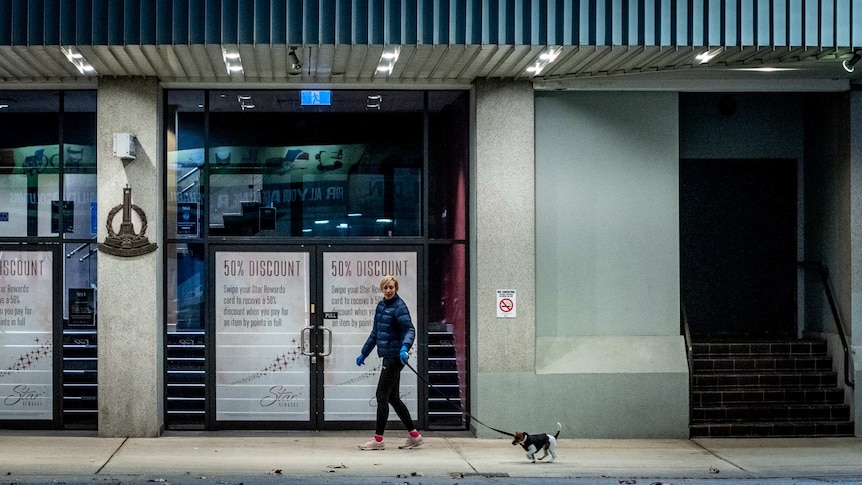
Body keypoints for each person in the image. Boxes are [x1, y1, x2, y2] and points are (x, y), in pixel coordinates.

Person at [355, 274, 423, 450]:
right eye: (385, 287)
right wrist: (364, 353)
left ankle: (378, 440)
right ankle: (414, 436)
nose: (388, 290)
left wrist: (404, 348)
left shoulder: (399, 307)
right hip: (387, 356)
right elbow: (375, 333)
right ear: (382, 289)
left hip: (395, 357)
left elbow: (409, 329)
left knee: (381, 395)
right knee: (392, 397)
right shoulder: (381, 306)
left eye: (391, 287)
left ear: (396, 288)